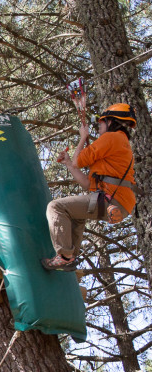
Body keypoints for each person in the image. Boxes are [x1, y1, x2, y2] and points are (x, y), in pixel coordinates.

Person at [43, 98, 138, 270]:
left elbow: (79, 160)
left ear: (111, 122)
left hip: (113, 200)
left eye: (101, 123)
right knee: (76, 215)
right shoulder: (118, 143)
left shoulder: (112, 138)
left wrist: (83, 137)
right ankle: (70, 257)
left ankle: (65, 256)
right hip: (116, 201)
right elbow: (88, 184)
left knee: (56, 207)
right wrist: (68, 164)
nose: (99, 128)